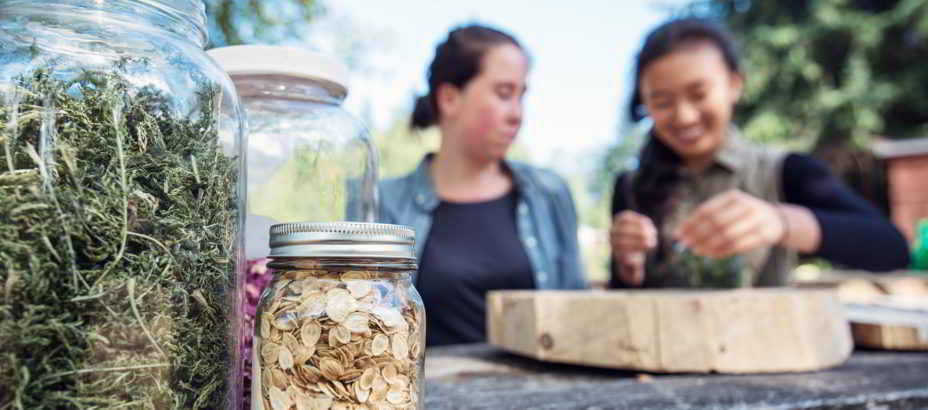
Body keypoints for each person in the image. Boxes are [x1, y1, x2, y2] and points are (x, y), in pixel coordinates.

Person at [609, 18, 910, 288]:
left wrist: (780, 222)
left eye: (699, 94)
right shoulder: (631, 187)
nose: (684, 116)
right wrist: (627, 266)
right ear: (645, 104)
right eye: (662, 102)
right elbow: (625, 289)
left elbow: (892, 248)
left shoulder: (786, 170)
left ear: (735, 85)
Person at [378, 24, 585, 346]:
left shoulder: (550, 193)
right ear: (449, 99)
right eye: (504, 94)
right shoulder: (383, 203)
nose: (517, 114)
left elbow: (578, 312)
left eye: (522, 96)